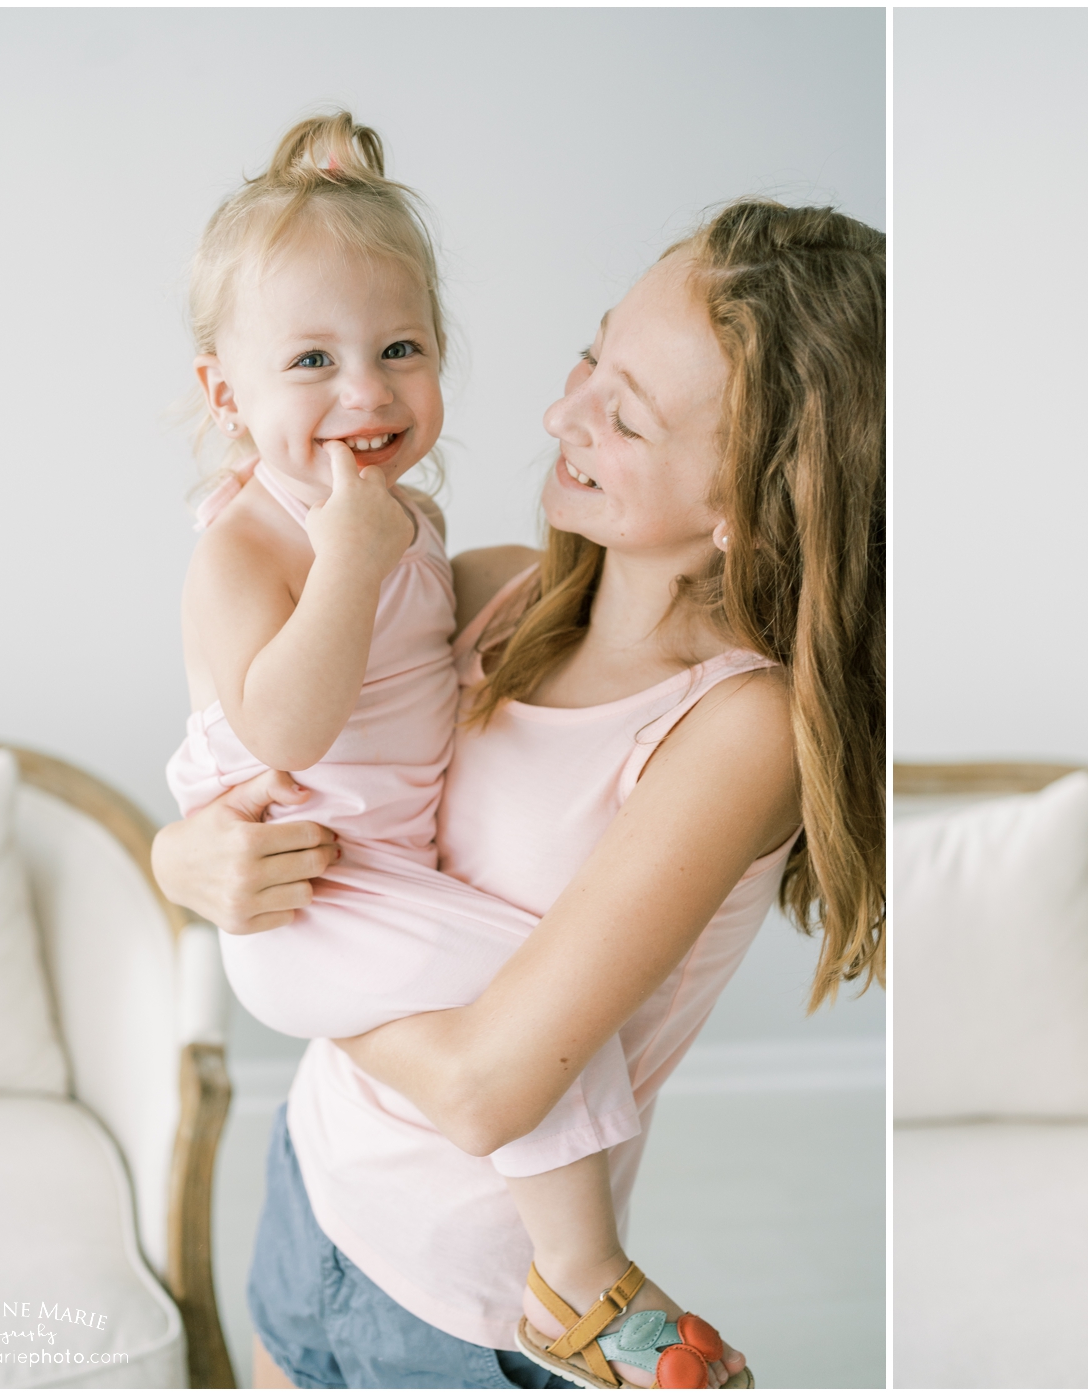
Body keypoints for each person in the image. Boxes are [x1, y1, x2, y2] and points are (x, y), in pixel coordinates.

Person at [155, 169, 886, 1388]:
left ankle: (586, 1280)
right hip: (316, 1190)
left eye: (627, 416)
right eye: (586, 362)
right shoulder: (491, 597)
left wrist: (275, 958)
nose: (562, 417)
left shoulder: (739, 728)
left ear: (750, 505)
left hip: (468, 1306)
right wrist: (186, 857)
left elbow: (492, 1091)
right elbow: (283, 735)